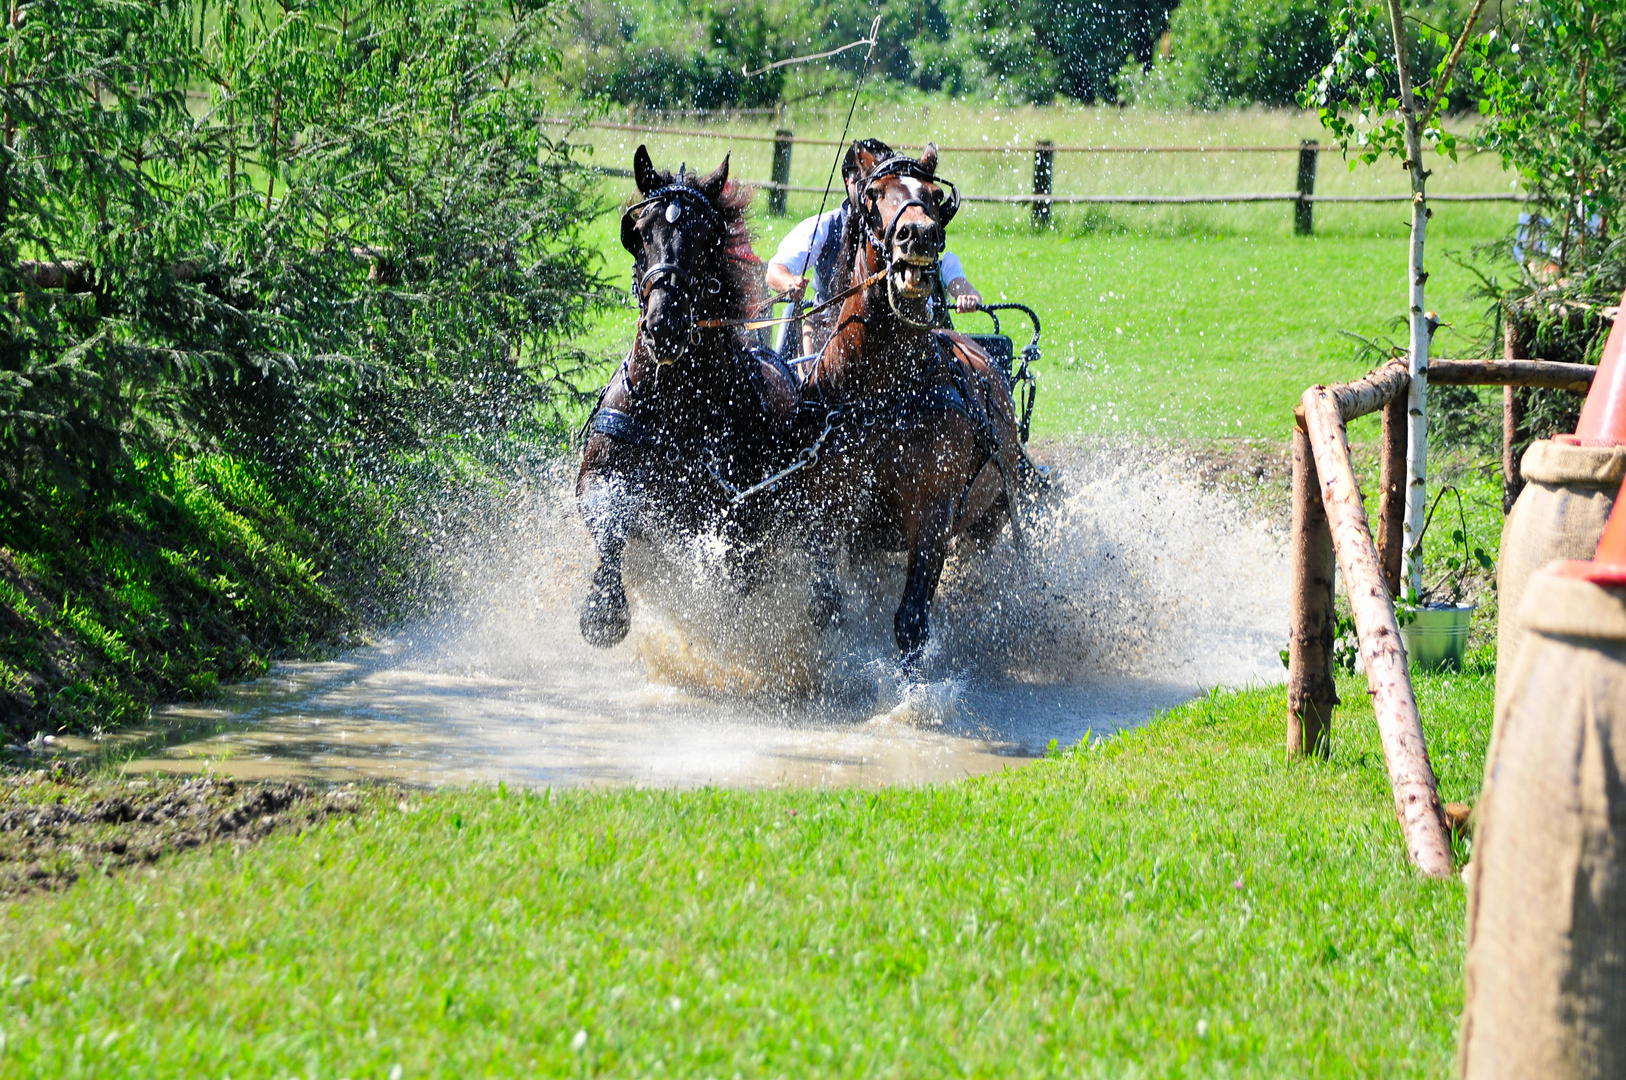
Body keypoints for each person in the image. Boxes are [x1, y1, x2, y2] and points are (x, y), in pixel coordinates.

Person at [765, 138, 981, 357]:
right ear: (848, 181)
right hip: (828, 334)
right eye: (860, 177)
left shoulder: (903, 232)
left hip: (900, 340)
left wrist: (965, 292)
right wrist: (788, 282)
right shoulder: (825, 226)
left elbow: (951, 274)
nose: (865, 184)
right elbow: (776, 269)